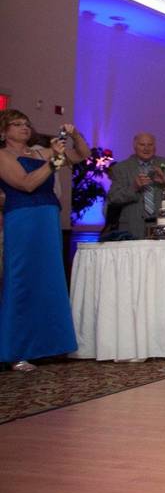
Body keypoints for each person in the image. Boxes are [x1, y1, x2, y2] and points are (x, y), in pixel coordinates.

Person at [0, 110, 87, 371]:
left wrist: (74, 134)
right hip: (23, 218)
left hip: (48, 216)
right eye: (16, 124)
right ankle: (16, 350)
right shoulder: (3, 156)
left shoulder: (40, 152)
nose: (24, 128)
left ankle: (49, 346)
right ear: (3, 131)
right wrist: (53, 163)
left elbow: (82, 155)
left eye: (26, 123)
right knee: (22, 280)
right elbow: (26, 184)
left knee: (49, 279)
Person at [106, 133, 165, 239]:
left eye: (150, 145)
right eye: (142, 145)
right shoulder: (121, 168)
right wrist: (134, 188)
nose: (146, 148)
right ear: (135, 146)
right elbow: (113, 198)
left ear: (155, 147)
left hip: (164, 227)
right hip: (132, 229)